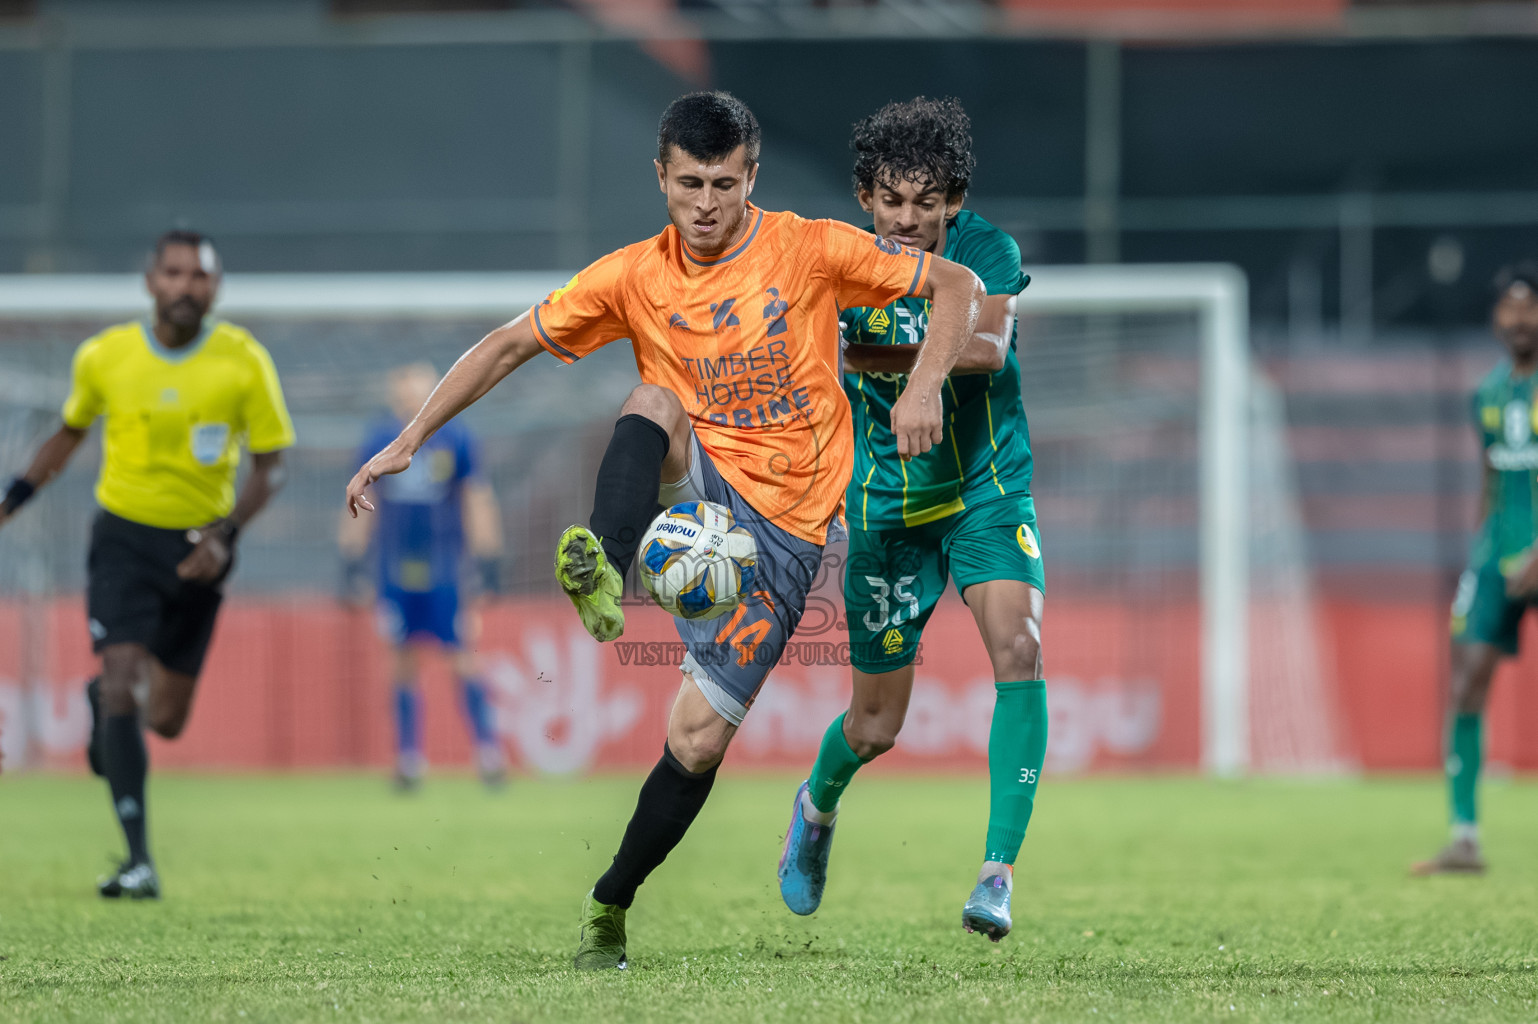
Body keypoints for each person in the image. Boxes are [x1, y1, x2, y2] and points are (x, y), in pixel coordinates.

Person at [345, 91, 984, 968]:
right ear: (661, 176)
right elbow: (506, 344)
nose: (707, 203)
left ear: (752, 176)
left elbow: (960, 283)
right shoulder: (633, 277)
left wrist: (920, 390)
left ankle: (610, 902)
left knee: (695, 741)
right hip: (700, 491)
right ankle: (602, 569)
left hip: (789, 536)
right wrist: (410, 437)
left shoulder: (807, 247)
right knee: (653, 396)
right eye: (690, 183)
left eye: (725, 182)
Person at [776, 98, 1046, 942]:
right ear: (866, 198)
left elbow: (989, 347)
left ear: (952, 200)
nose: (908, 220)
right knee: (875, 725)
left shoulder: (984, 251)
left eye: (926, 202)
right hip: (887, 509)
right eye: (892, 201)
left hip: (985, 492)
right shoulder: (838, 260)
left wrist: (912, 378)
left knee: (1021, 645)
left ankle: (997, 874)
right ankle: (816, 807)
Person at [0, 229, 293, 898]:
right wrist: (12, 499)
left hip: (201, 547)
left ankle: (104, 711)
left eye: (199, 276)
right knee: (122, 672)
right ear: (150, 281)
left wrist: (229, 534)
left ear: (215, 288)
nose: (186, 286)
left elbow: (273, 468)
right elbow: (71, 432)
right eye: (174, 273)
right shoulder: (105, 357)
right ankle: (139, 862)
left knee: (163, 718)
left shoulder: (243, 362)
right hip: (124, 541)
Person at [1414, 262, 1538, 876]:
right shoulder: (1487, 393)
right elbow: (1492, 476)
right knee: (1464, 681)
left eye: (1529, 306)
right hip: (1498, 553)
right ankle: (1464, 838)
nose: (1519, 319)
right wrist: (1485, 549)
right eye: (1508, 309)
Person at [338, 362, 507, 791]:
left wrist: (488, 561)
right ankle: (409, 759)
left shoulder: (456, 437)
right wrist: (351, 561)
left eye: (420, 392)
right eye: (404, 394)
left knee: (462, 656)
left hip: (446, 567)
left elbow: (476, 498)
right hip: (394, 567)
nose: (411, 400)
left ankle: (488, 754)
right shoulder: (379, 440)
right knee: (401, 661)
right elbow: (362, 500)